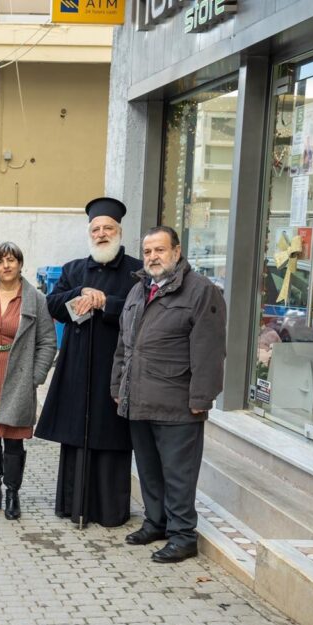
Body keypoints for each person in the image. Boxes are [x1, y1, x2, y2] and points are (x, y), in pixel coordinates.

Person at [112, 225, 227, 563]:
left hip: (178, 402)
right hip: (138, 398)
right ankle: (156, 523)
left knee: (178, 474)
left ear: (177, 252)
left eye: (160, 250)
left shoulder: (201, 291)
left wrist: (201, 397)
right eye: (147, 252)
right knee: (149, 470)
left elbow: (210, 350)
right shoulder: (138, 291)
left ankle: (183, 535)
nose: (153, 257)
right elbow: (123, 346)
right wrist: (118, 386)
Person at [35, 197, 142, 528]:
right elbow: (52, 305)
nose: (101, 234)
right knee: (77, 434)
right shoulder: (74, 270)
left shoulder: (136, 271)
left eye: (108, 228)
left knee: (112, 437)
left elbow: (143, 312)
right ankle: (74, 505)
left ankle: (110, 511)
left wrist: (106, 303)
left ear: (119, 232)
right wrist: (80, 292)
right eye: (96, 229)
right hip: (78, 366)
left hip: (116, 366)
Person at [0, 242, 56, 520]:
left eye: (11, 260)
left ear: (20, 264)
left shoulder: (35, 299)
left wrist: (35, 377)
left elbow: (47, 341)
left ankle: (12, 493)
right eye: (0, 261)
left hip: (18, 375)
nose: (6, 265)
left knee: (13, 438)